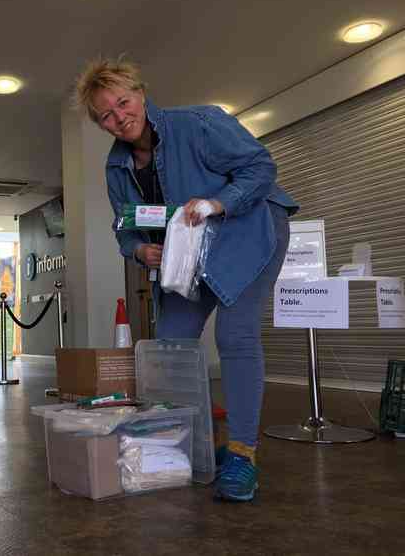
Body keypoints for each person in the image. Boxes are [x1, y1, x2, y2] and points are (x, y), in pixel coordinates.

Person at [74, 57, 299, 502]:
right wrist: (138, 249)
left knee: (235, 336)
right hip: (186, 253)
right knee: (171, 342)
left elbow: (260, 168)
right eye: (106, 114)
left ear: (140, 93)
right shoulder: (116, 167)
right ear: (99, 123)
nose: (120, 117)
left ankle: (241, 453)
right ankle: (179, 440)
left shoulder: (198, 123)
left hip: (247, 232)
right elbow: (125, 222)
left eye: (123, 102)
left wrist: (218, 202)